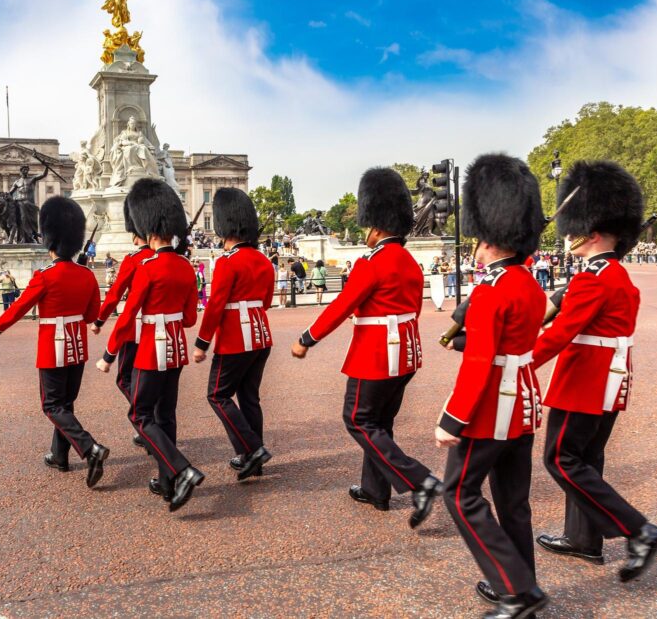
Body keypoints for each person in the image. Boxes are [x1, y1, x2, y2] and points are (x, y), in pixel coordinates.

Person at [532, 160, 657, 584]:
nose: (568, 237)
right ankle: (584, 539)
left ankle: (639, 530)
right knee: (587, 459)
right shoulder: (615, 274)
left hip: (584, 383)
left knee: (560, 459)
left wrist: (518, 365)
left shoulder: (594, 280)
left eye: (575, 230)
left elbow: (558, 335)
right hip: (609, 382)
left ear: (592, 233)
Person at [292, 167, 441, 529]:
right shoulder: (410, 262)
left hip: (375, 354)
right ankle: (376, 490)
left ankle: (418, 480)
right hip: (406, 354)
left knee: (358, 419)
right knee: (380, 423)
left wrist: (307, 339)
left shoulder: (371, 262)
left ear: (375, 226)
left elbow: (341, 305)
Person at [434, 154, 549, 618]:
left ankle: (517, 589)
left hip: (489, 408)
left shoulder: (489, 290)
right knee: (513, 503)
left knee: (459, 494)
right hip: (523, 402)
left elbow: (482, 363)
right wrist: (468, 337)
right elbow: (508, 340)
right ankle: (524, 579)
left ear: (489, 239)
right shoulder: (528, 284)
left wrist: (452, 420)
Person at [0, 196, 109, 488]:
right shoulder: (87, 276)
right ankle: (59, 456)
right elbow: (93, 315)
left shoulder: (45, 276)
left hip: (53, 349)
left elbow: (19, 307)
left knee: (52, 406)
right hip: (78, 348)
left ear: (49, 240)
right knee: (65, 404)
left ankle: (90, 448)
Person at [95, 178, 204, 512]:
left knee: (140, 414)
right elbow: (188, 319)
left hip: (150, 349)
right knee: (166, 415)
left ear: (147, 228)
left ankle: (181, 469)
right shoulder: (187, 267)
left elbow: (128, 316)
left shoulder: (147, 267)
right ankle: (166, 479)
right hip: (176, 349)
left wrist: (109, 354)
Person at [192, 188, 275, 480]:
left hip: (235, 340)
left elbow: (215, 305)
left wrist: (202, 343)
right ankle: (254, 458)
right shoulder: (264, 261)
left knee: (217, 395)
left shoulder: (227, 262)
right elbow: (265, 301)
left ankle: (252, 449)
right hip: (261, 335)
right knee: (249, 398)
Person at [91, 198, 155, 450]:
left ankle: (146, 423)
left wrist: (99, 319)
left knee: (125, 378)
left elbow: (115, 294)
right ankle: (150, 424)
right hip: (160, 330)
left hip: (135, 329)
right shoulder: (162, 257)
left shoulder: (133, 259)